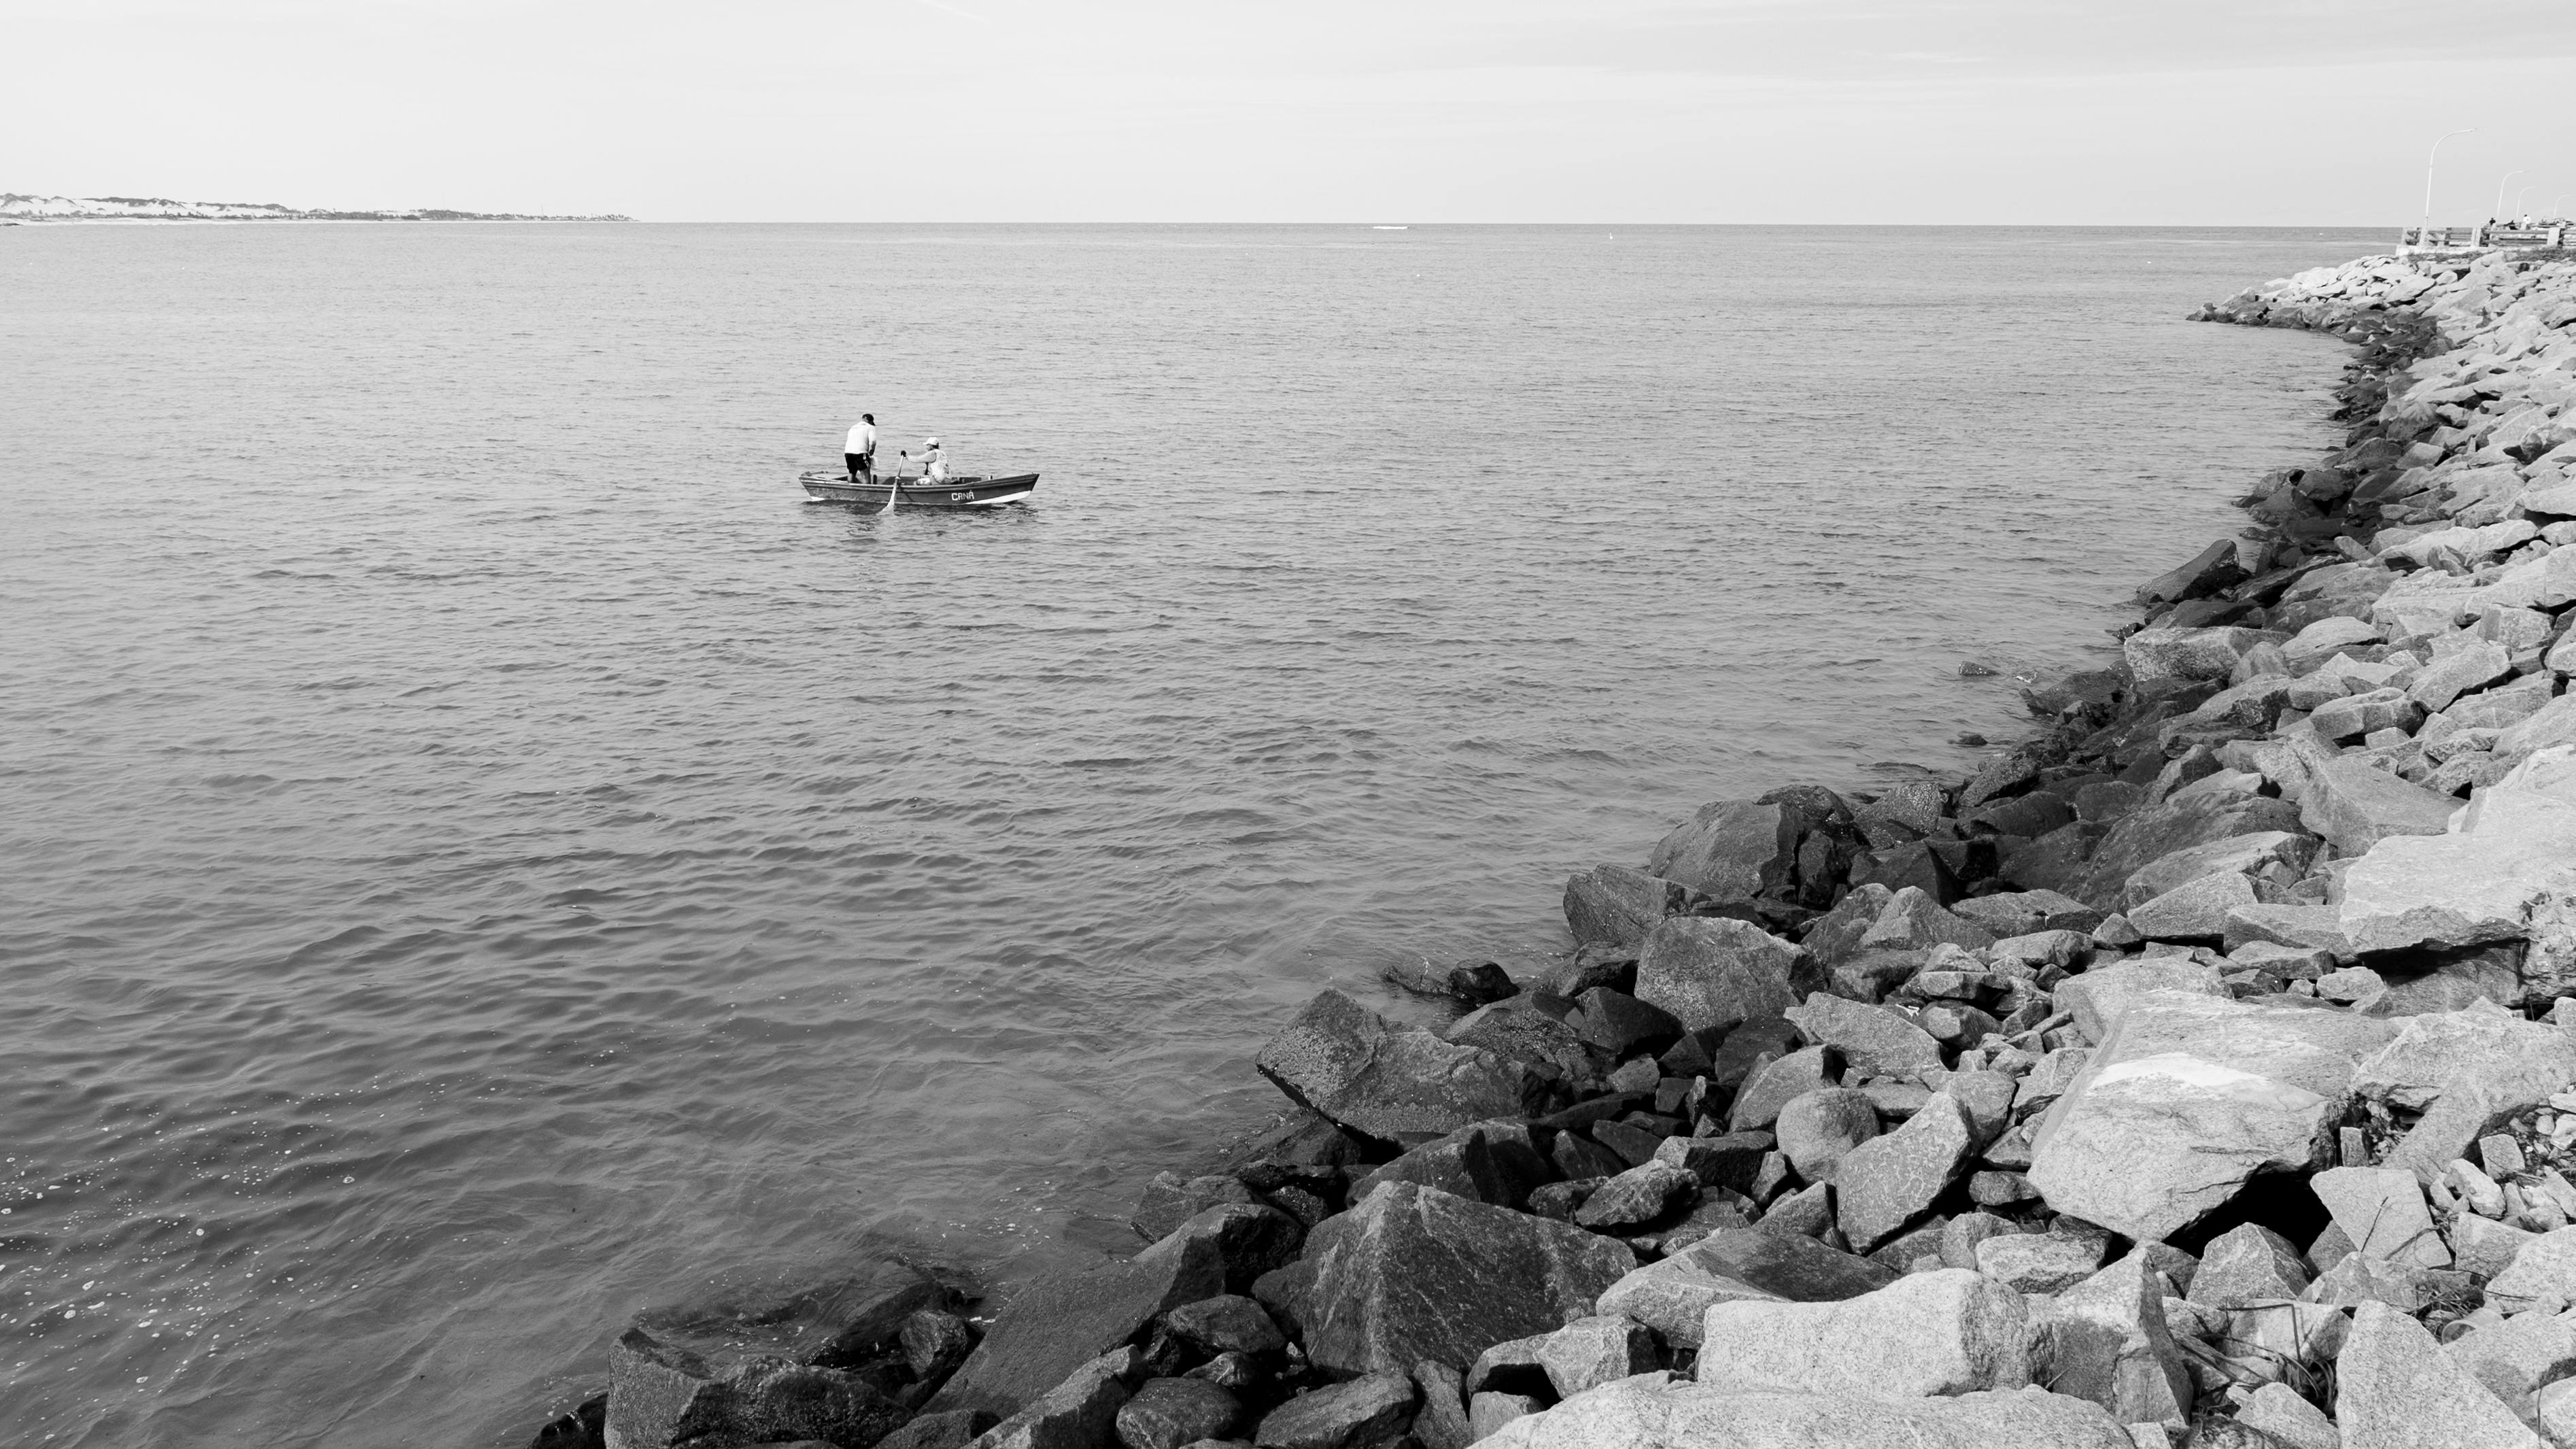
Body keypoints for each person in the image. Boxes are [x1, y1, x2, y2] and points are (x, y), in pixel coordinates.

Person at [844, 413, 876, 483]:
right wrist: (872, 450)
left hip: (848, 453)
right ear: (871, 421)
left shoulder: (853, 427)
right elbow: (873, 441)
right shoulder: (870, 427)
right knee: (865, 476)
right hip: (861, 453)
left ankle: (850, 488)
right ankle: (867, 490)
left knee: (852, 472)